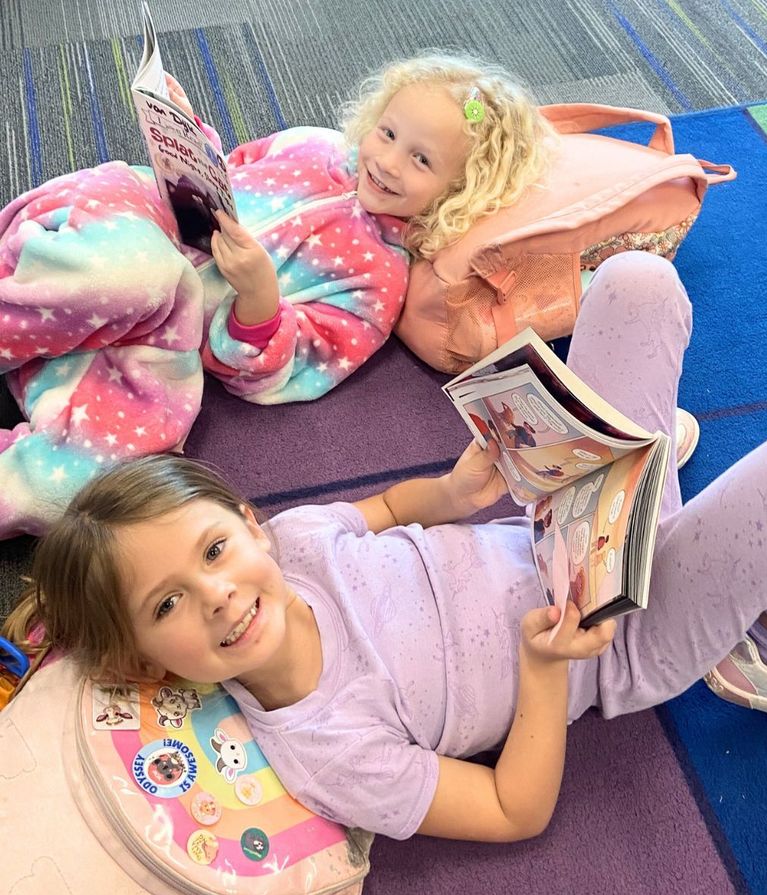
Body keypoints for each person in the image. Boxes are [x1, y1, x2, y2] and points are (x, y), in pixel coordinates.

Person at [7, 252, 767, 842]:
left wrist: (454, 494)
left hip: (562, 518)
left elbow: (393, 504)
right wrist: (544, 670)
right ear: (151, 663)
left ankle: (638, 477)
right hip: (614, 636)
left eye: (213, 552)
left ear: (249, 523)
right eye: (167, 603)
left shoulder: (294, 544)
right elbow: (513, 810)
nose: (214, 592)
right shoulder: (323, 751)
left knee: (635, 281)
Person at [0, 54, 552, 537]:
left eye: (421, 159)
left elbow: (279, 372)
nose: (386, 161)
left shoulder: (378, 284)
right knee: (142, 275)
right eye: (387, 133)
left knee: (110, 487)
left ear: (459, 193)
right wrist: (187, 130)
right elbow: (224, 173)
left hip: (162, 340)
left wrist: (259, 299)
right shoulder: (312, 144)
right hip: (130, 227)